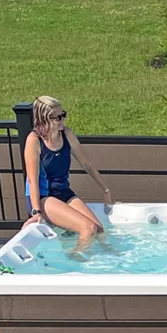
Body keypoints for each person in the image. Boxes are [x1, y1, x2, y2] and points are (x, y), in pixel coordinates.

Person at [24, 96, 114, 250]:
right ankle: (75, 261)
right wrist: (36, 211)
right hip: (44, 198)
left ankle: (109, 262)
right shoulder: (34, 140)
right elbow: (32, 180)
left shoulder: (66, 134)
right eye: (58, 117)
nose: (62, 120)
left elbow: (87, 164)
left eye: (63, 115)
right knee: (88, 228)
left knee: (99, 231)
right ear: (44, 119)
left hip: (64, 192)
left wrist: (106, 189)